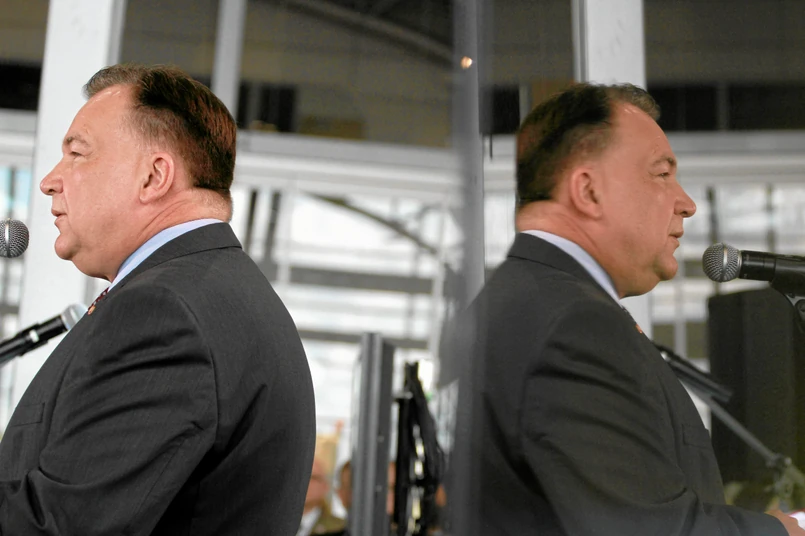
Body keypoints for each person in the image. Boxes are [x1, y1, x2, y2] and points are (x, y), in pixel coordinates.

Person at [463, 83, 804, 535]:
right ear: (589, 191)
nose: (687, 203)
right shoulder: (574, 325)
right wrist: (785, 532)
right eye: (662, 175)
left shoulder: (538, 301)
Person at [0, 64, 316, 535]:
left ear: (154, 176)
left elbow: (57, 526)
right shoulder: (212, 293)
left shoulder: (162, 313)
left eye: (77, 154)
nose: (49, 180)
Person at [297, 457, 347, 536]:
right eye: (298, 478)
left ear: (325, 486)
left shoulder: (340, 528)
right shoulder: (278, 524)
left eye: (312, 477)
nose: (304, 483)